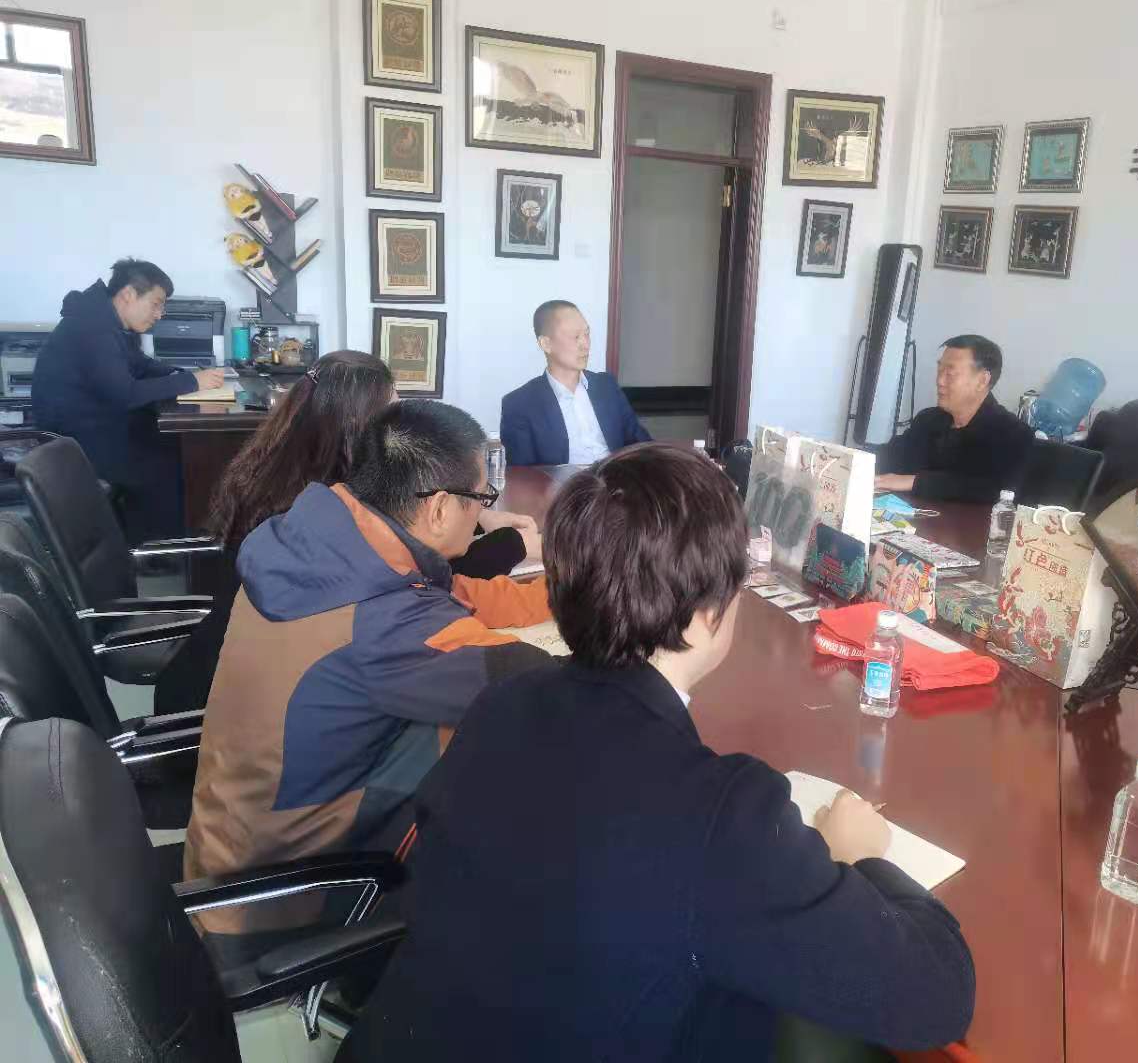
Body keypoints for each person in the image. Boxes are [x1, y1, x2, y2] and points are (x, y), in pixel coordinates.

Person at [339, 442, 976, 1062]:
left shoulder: (502, 704)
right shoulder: (719, 815)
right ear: (707, 616)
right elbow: (936, 995)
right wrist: (864, 858)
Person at [184, 400, 553, 936]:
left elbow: (456, 593)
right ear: (440, 508)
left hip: (234, 841)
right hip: (285, 894)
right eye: (480, 499)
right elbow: (522, 678)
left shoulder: (328, 541)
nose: (481, 516)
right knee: (505, 746)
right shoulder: (385, 619)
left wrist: (567, 595)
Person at [152, 352, 540, 714]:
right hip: (231, 708)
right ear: (360, 430)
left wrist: (477, 515)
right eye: (391, 416)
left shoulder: (289, 482)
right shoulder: (325, 519)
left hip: (225, 675)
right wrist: (510, 545)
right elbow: (419, 580)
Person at [32, 258, 225, 540]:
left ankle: (168, 541)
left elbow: (140, 364)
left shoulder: (104, 321)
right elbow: (126, 394)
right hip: (76, 443)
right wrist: (193, 382)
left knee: (179, 446)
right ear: (128, 295)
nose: (160, 314)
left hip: (97, 427)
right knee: (178, 462)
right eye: (156, 304)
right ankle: (160, 551)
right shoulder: (92, 330)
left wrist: (184, 374)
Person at [874, 334, 1034, 502]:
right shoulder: (928, 420)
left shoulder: (1013, 433)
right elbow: (889, 456)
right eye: (939, 370)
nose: (940, 381)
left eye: (950, 374)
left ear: (982, 380)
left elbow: (995, 489)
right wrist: (858, 460)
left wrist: (915, 482)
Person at [499, 299, 652, 466]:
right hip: (564, 482)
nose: (585, 345)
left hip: (616, 477)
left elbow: (641, 443)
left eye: (587, 334)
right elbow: (522, 473)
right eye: (575, 337)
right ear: (546, 344)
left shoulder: (606, 386)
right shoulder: (520, 404)